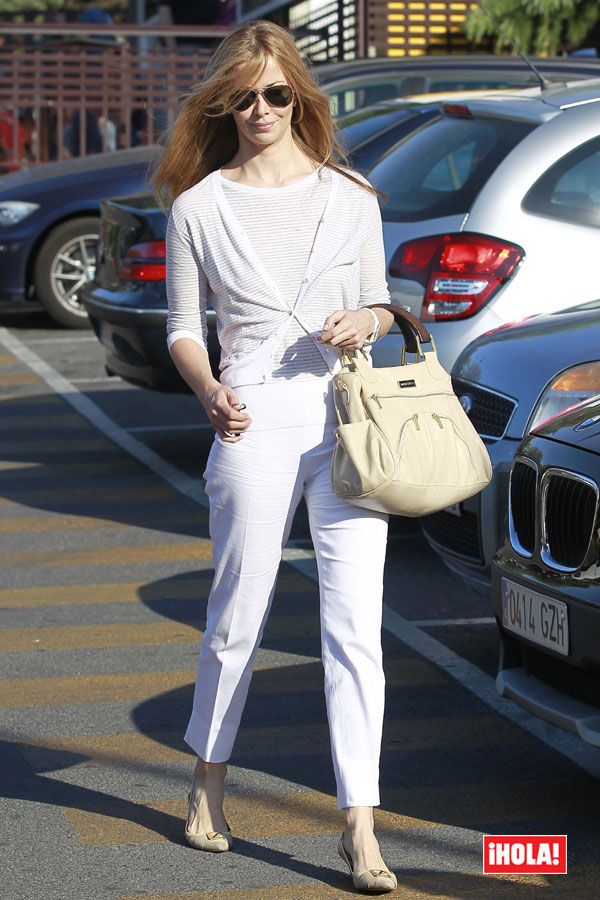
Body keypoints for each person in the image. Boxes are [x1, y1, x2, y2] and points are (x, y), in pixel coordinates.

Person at [153, 20, 397, 895]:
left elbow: (381, 302)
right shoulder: (199, 207)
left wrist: (367, 319)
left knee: (354, 628)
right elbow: (183, 327)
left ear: (299, 96)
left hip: (346, 421)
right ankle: (206, 783)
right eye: (243, 96)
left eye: (276, 93)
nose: (260, 109)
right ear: (225, 104)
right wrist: (207, 388)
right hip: (249, 420)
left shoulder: (353, 195)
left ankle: (360, 827)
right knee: (237, 617)